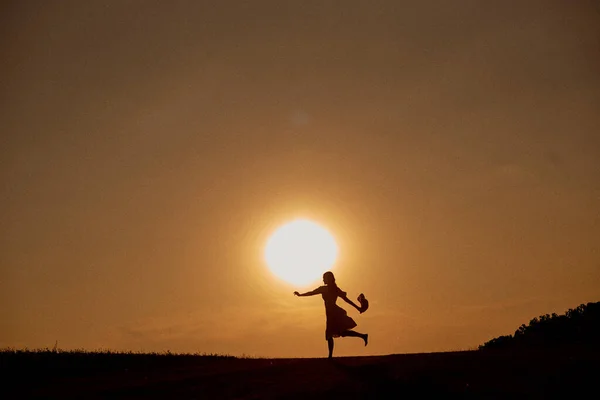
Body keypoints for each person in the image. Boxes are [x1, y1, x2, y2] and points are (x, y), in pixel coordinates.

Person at [294, 271, 368, 358]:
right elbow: (311, 293)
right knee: (341, 333)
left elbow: (346, 300)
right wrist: (300, 295)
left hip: (334, 313)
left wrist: (358, 308)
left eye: (324, 278)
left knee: (330, 334)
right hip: (331, 313)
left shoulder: (330, 289)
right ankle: (363, 336)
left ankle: (330, 356)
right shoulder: (326, 289)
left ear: (328, 279)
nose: (323, 280)